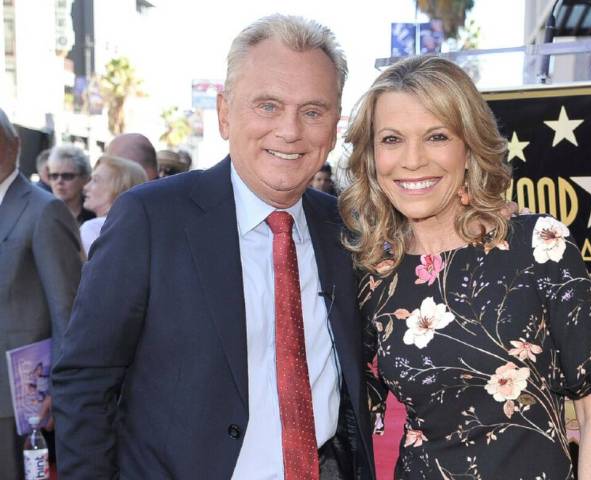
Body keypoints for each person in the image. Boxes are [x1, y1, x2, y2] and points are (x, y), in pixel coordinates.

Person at [52, 14, 375, 479]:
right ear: (225, 113)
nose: (289, 130)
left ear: (334, 125)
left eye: (312, 110)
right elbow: (85, 380)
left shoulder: (346, 228)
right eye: (267, 105)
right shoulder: (150, 219)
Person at [339, 56, 591, 479]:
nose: (412, 160)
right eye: (392, 139)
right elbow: (342, 404)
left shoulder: (539, 245)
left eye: (436, 136)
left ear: (469, 147)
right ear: (372, 156)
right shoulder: (375, 271)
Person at [0, 108, 83, 480]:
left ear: (15, 144)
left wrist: (60, 390)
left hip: (17, 399)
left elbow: (68, 308)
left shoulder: (43, 210)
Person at [80, 154, 148, 255]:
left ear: (119, 188)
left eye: (95, 180)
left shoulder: (92, 228)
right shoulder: (145, 229)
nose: (86, 187)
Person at [47, 145, 96, 225]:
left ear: (84, 178)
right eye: (54, 176)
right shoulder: (42, 213)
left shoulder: (95, 213)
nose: (59, 181)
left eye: (67, 176)